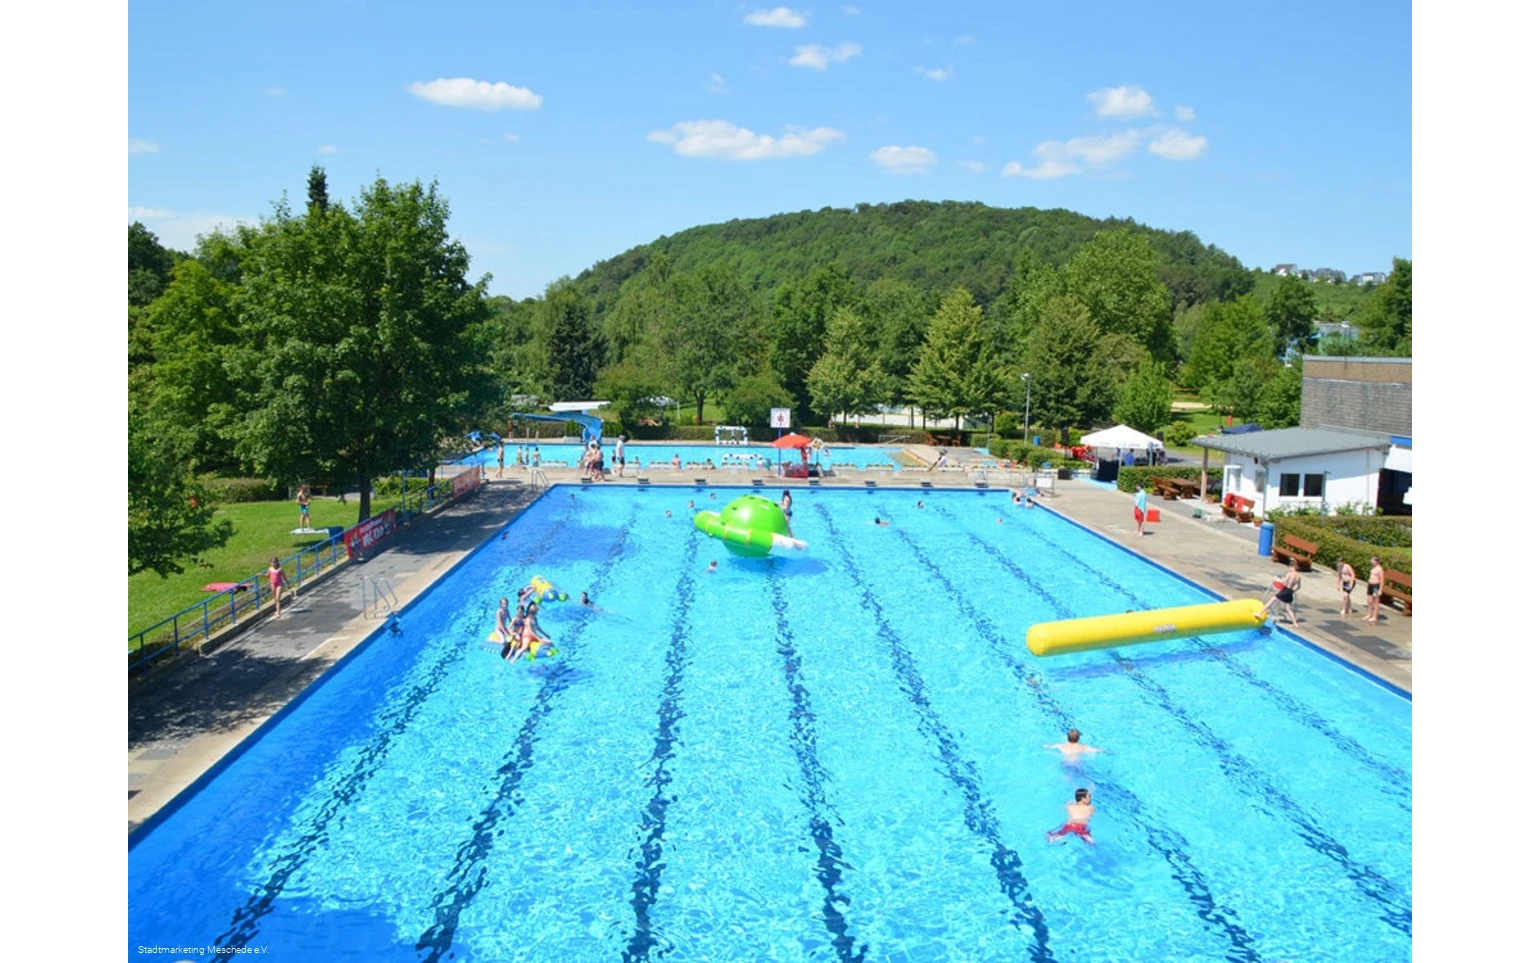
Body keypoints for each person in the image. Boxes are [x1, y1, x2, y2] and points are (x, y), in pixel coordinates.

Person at [1264, 559, 1302, 627]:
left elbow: (1283, 582)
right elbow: (1299, 587)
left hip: (1286, 590)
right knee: (1288, 608)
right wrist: (1293, 590)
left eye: (1290, 568)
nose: (1289, 569)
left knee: (1272, 600)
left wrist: (1277, 579)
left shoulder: (1290, 574)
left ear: (1292, 567)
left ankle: (1260, 612)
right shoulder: (1298, 576)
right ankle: (1295, 623)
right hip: (1290, 591)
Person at [1364, 556, 1384, 623]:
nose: (1371, 561)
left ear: (1376, 561)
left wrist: (1380, 590)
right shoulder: (1373, 567)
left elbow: (1382, 580)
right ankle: (1369, 614)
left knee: (1376, 601)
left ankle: (1375, 616)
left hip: (1376, 586)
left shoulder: (1380, 569)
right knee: (1369, 600)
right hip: (1370, 585)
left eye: (1372, 560)